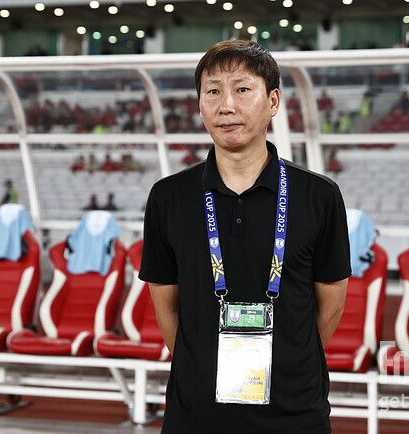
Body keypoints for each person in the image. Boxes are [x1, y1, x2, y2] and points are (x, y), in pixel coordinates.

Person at [139, 40, 350, 434]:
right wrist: (202, 364)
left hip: (294, 413)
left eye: (242, 89)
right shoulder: (168, 197)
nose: (226, 106)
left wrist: (286, 358)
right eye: (213, 91)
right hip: (195, 413)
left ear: (273, 101)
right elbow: (166, 307)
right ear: (199, 104)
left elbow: (331, 305)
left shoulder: (318, 196)